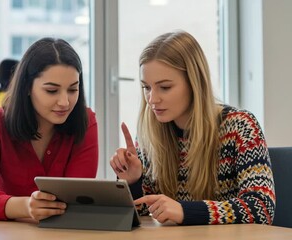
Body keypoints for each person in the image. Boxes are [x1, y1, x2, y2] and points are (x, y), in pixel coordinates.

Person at [110, 30, 275, 225]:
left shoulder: (240, 126)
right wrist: (133, 181)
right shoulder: (150, 134)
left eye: (165, 87)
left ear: (194, 83)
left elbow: (261, 208)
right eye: (147, 87)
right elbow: (148, 210)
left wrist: (185, 211)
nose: (152, 99)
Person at [0, 38, 99, 221]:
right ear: (27, 87)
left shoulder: (86, 121)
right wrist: (26, 206)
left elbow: (77, 199)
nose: (64, 102)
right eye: (52, 91)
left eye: (72, 90)